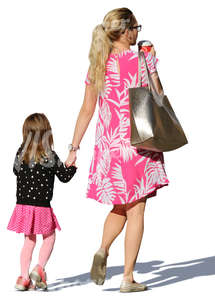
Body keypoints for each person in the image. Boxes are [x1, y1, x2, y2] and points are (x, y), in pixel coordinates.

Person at [65, 7, 169, 292]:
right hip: (138, 144)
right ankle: (127, 278)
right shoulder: (140, 60)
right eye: (136, 27)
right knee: (137, 208)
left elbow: (87, 110)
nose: (138, 32)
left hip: (110, 147)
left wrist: (74, 148)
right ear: (126, 31)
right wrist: (151, 62)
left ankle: (102, 249)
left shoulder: (98, 65)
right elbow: (158, 97)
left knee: (120, 205)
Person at [7, 113, 77, 291]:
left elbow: (15, 172)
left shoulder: (21, 153)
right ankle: (39, 268)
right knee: (49, 237)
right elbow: (64, 177)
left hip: (22, 205)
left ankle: (23, 278)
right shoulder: (49, 155)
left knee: (29, 241)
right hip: (41, 206)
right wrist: (72, 164)